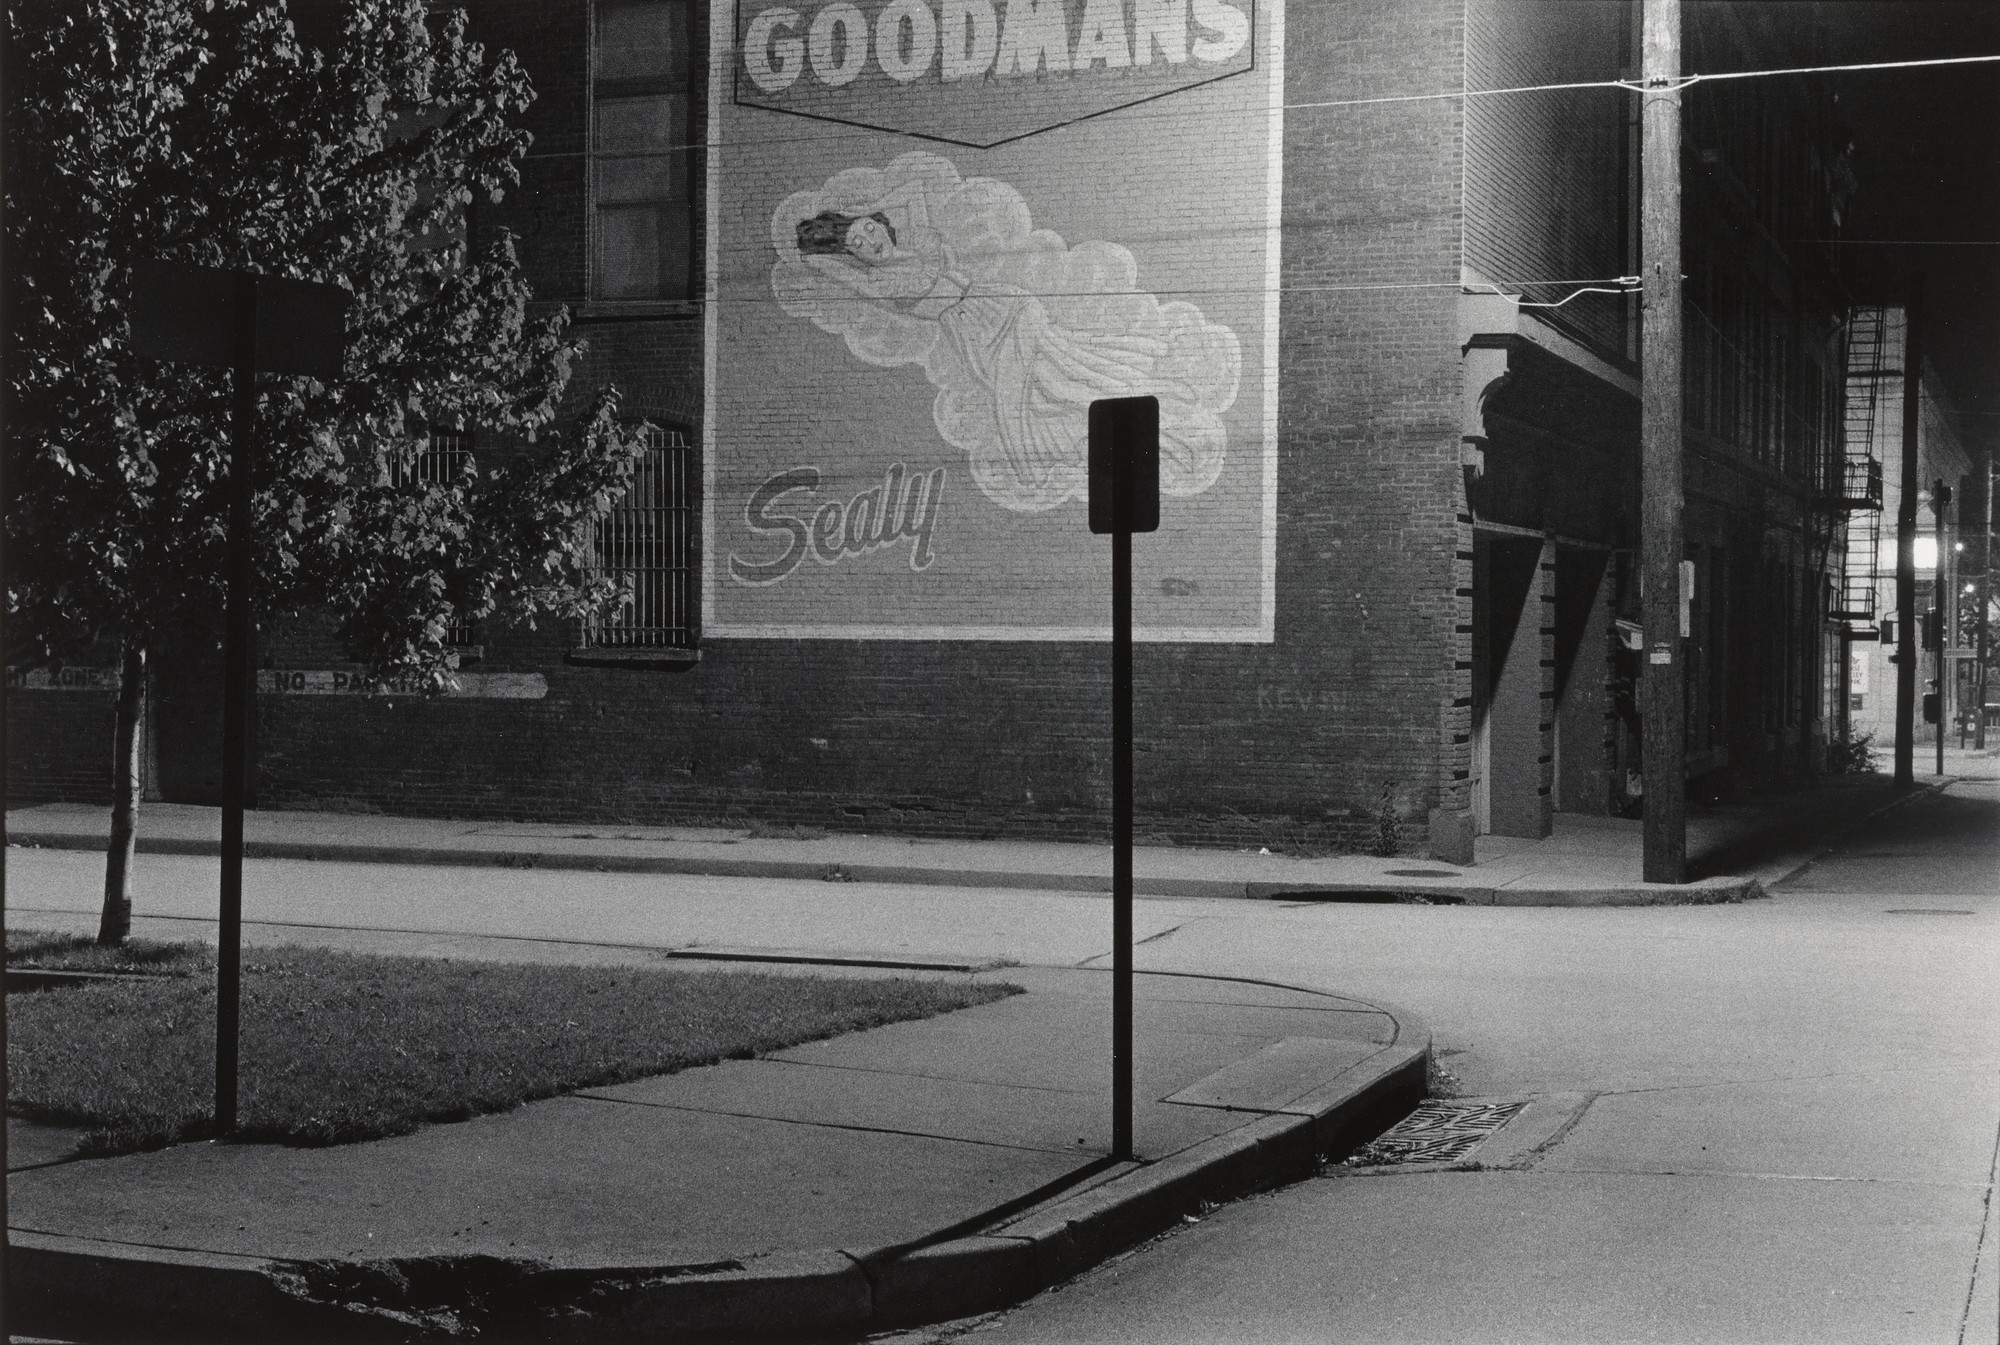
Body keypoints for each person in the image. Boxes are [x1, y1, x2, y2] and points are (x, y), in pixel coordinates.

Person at [791, 182, 1219, 513]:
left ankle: (1032, 466)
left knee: (1016, 402)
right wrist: (827, 241)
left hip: (1003, 309)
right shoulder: (874, 283)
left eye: (870, 228)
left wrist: (857, 218)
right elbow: (823, 265)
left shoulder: (916, 246)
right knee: (1069, 375)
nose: (869, 240)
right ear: (851, 256)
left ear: (881, 223)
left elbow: (912, 193)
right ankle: (1161, 400)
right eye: (858, 245)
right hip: (975, 336)